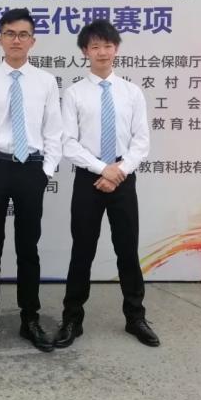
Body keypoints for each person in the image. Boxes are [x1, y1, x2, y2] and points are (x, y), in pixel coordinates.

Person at [54, 20, 159, 349]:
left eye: (108, 46)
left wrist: (119, 171)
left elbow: (141, 141)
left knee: (127, 250)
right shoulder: (74, 93)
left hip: (123, 179)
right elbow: (68, 142)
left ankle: (135, 317)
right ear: (85, 52)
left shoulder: (131, 92)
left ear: (116, 49)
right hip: (89, 178)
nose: (102, 52)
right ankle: (72, 319)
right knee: (82, 251)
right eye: (95, 46)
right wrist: (103, 169)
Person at [0, 8, 62, 354]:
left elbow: (54, 131)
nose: (16, 40)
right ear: (0, 39)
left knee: (28, 248)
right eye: (9, 33)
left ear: (32, 41)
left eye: (23, 34)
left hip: (31, 169)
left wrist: (46, 171)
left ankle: (29, 319)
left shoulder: (45, 81)